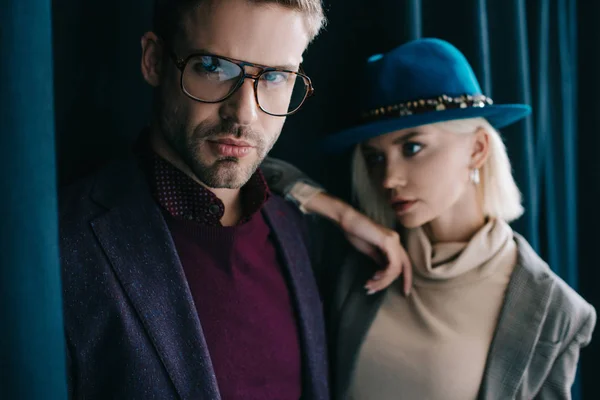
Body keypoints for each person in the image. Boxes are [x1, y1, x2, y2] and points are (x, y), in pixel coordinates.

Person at [58, 0, 411, 398]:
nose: (243, 113)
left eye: (276, 76)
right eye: (213, 67)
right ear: (154, 60)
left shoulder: (302, 232)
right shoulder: (60, 248)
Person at [262, 38, 597, 400]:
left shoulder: (554, 310)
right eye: (375, 158)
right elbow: (241, 168)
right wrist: (342, 214)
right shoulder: (359, 257)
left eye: (412, 147)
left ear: (478, 148)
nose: (389, 179)